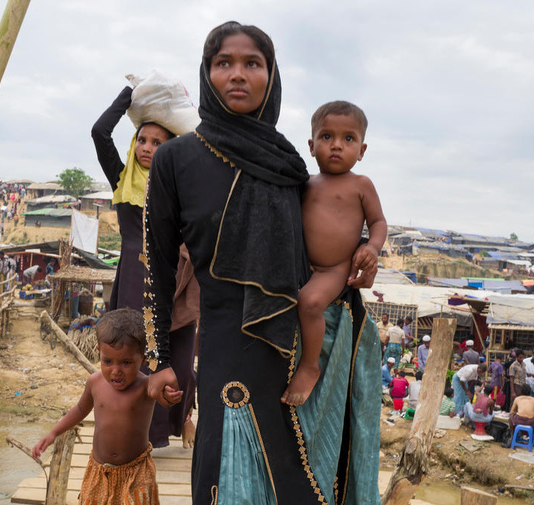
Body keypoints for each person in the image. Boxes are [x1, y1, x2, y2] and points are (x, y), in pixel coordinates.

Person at [144, 21, 380, 504]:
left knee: (301, 473)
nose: (238, 74)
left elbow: (321, 250)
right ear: (206, 73)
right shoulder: (175, 159)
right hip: (225, 339)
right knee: (224, 461)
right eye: (223, 63)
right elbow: (159, 266)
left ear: (270, 77)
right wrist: (160, 360)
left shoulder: (288, 164)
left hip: (297, 344)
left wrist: (365, 257)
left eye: (253, 64)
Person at [92, 75, 201, 449]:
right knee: (133, 355)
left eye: (158, 142)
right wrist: (132, 96)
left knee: (180, 361)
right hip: (134, 276)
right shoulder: (122, 178)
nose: (147, 148)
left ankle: (172, 424)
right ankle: (136, 435)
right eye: (142, 139)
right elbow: (99, 133)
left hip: (177, 278)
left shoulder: (181, 186)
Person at [286, 100, 387, 405]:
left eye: (348, 139)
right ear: (311, 145)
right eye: (326, 137)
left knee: (310, 302)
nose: (336, 146)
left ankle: (309, 365)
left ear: (362, 150)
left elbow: (379, 222)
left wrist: (372, 247)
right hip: (302, 266)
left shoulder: (361, 185)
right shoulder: (305, 183)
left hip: (335, 269)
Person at [31, 309, 174, 505]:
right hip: (99, 471)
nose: (116, 371)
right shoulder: (94, 383)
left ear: (142, 358)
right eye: (107, 361)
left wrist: (170, 394)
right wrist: (53, 433)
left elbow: (167, 394)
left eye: (126, 362)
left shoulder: (146, 386)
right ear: (99, 352)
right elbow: (80, 410)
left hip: (135, 472)